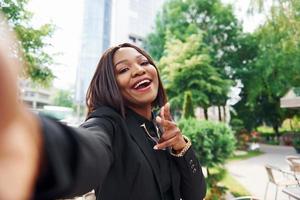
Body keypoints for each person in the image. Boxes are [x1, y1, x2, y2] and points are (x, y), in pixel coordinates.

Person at [0, 15, 206, 200]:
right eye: (123, 69)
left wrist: (180, 146)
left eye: (144, 62)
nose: (138, 70)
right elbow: (90, 147)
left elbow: (195, 194)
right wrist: (32, 144)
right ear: (110, 84)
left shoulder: (161, 128)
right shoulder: (108, 123)